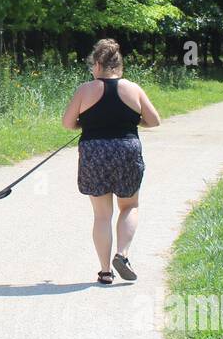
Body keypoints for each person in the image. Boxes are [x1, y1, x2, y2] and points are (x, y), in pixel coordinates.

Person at [61, 38, 160, 284]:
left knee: (102, 215)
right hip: (126, 150)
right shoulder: (133, 89)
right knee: (129, 206)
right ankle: (122, 254)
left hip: (95, 152)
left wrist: (87, 123)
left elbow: (67, 123)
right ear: (119, 65)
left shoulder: (86, 89)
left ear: (97, 64)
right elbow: (154, 120)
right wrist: (132, 121)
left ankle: (105, 271)